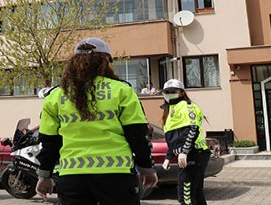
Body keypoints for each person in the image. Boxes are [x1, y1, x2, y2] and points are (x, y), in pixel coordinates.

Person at [35, 37, 158, 205]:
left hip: (72, 176)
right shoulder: (122, 90)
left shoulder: (55, 96)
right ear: (105, 61)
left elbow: (49, 141)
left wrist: (44, 176)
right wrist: (146, 167)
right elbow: (137, 133)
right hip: (116, 174)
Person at [160, 79, 210, 205]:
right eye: (166, 91)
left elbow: (192, 129)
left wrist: (184, 151)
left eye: (173, 91)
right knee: (196, 194)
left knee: (185, 197)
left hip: (194, 153)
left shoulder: (186, 106)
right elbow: (174, 139)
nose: (169, 93)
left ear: (181, 92)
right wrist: (168, 157)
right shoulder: (171, 109)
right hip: (193, 154)